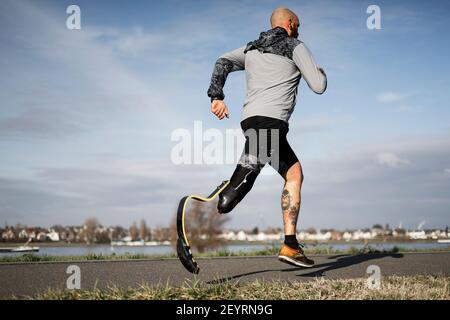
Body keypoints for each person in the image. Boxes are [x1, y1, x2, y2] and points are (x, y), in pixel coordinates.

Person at [207, 7, 327, 267]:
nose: (299, 29)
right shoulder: (295, 46)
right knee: (238, 187)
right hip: (271, 123)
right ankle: (219, 197)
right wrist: (322, 72)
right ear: (291, 22)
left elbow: (222, 62)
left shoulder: (251, 48)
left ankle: (291, 245)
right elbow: (318, 86)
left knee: (294, 173)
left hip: (251, 121)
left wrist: (217, 96)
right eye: (298, 24)